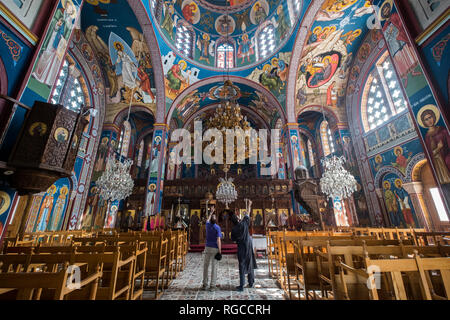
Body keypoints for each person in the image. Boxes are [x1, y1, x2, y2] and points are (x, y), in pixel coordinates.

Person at [231, 200, 257, 292]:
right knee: (249, 263)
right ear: (238, 219)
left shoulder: (233, 229)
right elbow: (247, 213)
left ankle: (242, 285)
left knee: (241, 265)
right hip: (248, 246)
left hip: (241, 248)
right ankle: (251, 282)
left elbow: (233, 240)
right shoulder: (244, 223)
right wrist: (249, 204)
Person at [202, 209, 222, 291]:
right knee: (214, 267)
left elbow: (207, 220)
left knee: (205, 266)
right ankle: (212, 286)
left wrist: (211, 212)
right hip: (214, 248)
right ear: (216, 220)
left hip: (207, 248)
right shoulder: (217, 227)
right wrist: (220, 251)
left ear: (210, 220)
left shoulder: (207, 225)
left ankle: (205, 284)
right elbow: (218, 240)